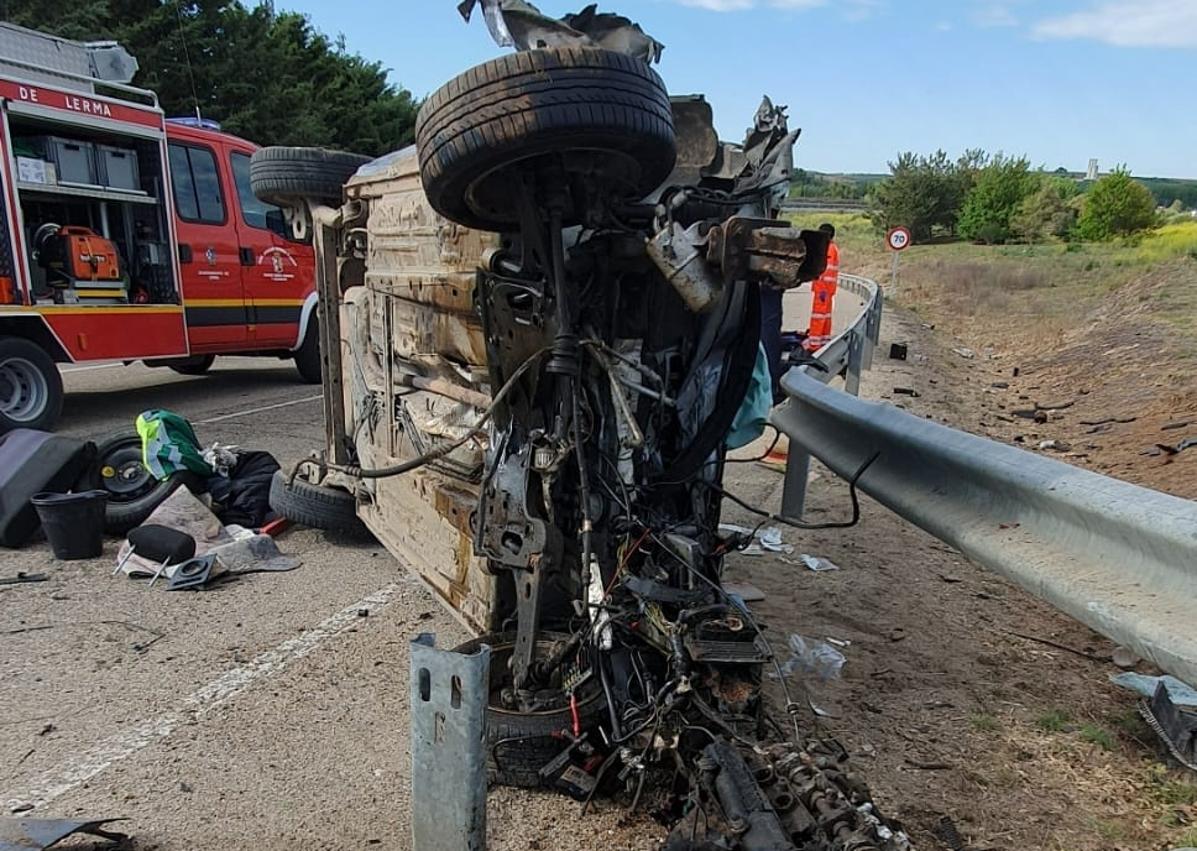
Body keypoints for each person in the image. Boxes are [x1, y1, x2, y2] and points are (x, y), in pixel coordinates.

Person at [803, 223, 840, 352]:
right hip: (827, 289)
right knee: (825, 315)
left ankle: (814, 343)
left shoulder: (827, 249)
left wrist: (822, 289)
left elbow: (825, 270)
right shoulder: (833, 248)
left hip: (822, 289)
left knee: (818, 315)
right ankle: (823, 340)